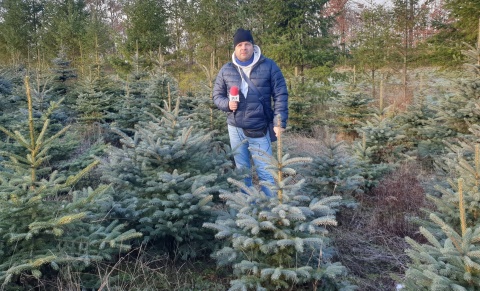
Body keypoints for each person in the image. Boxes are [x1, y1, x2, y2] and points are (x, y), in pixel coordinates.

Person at [212, 28, 288, 197]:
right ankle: (247, 207)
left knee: (266, 172)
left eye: (247, 44)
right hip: (235, 129)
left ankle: (271, 212)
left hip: (259, 128)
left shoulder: (269, 66)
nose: (243, 48)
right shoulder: (226, 70)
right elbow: (216, 95)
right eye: (240, 44)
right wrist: (227, 104)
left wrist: (279, 121)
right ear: (235, 48)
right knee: (242, 172)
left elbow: (280, 94)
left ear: (253, 46)